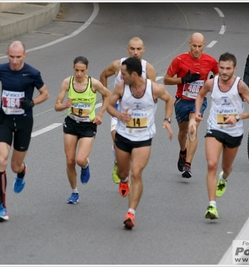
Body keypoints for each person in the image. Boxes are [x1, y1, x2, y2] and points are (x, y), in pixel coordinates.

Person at [106, 57, 173, 229]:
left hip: (143, 138)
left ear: (134, 74)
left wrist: (167, 120)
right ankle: (123, 178)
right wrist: (119, 115)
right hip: (123, 136)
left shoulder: (154, 88)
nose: (121, 76)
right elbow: (109, 105)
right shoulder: (121, 87)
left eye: (124, 74)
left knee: (136, 173)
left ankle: (131, 212)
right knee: (124, 172)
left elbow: (169, 100)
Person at [0, 40, 49, 222]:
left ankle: (22, 172)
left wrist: (32, 102)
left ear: (25, 55)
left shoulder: (32, 73)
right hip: (4, 120)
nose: (14, 61)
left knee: (15, 166)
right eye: (11, 57)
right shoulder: (1, 69)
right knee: (1, 159)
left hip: (24, 122)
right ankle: (2, 207)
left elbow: (45, 93)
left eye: (18, 57)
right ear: (7, 54)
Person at [194, 52, 249, 219]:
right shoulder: (211, 83)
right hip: (215, 127)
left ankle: (223, 178)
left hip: (234, 131)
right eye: (221, 68)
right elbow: (200, 95)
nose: (224, 71)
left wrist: (237, 117)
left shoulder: (240, 86)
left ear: (234, 69)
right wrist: (197, 112)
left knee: (226, 168)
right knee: (211, 164)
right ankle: (212, 205)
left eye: (228, 68)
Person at [55, 56, 111, 204]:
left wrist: (100, 114)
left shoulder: (94, 84)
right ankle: (74, 192)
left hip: (88, 124)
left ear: (87, 70)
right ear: (73, 68)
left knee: (80, 160)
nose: (79, 74)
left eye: (82, 71)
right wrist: (65, 106)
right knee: (70, 161)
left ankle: (85, 165)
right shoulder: (68, 82)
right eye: (76, 70)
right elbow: (56, 106)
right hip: (71, 123)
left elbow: (108, 95)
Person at [100, 37, 156, 184]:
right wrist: (106, 98)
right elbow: (103, 76)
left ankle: (129, 173)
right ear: (127, 49)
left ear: (143, 49)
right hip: (119, 111)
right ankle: (118, 162)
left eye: (138, 49)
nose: (135, 52)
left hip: (139, 115)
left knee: (133, 149)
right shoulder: (117, 65)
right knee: (116, 138)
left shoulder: (148, 68)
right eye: (132, 49)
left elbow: (153, 92)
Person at [164, 32, 219, 178]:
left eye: (199, 46)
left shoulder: (210, 61)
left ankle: (188, 165)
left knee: (192, 129)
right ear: (189, 44)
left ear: (204, 45)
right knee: (183, 132)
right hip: (182, 101)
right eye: (194, 46)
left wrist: (214, 80)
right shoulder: (180, 59)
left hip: (198, 101)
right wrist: (183, 80)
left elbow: (220, 74)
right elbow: (166, 80)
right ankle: (183, 151)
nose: (196, 49)